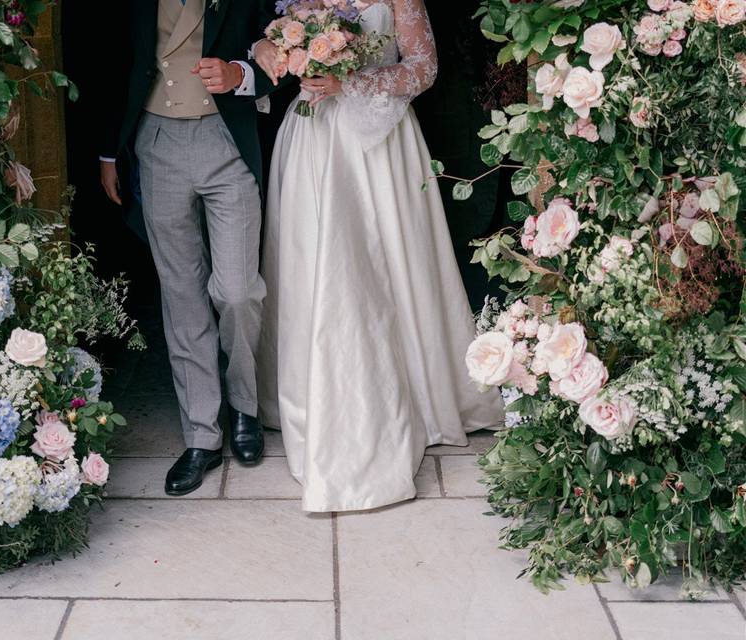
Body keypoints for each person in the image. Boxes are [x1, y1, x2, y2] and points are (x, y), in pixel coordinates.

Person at [254, 0, 505, 513]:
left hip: (381, 142)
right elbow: (265, 42)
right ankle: (310, 397)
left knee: (390, 267)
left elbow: (423, 68)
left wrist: (349, 82)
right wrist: (277, 54)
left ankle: (416, 396)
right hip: (312, 137)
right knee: (314, 264)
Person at [100, 0, 278, 496]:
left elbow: (284, 50)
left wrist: (239, 74)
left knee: (238, 292)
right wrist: (110, 151)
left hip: (227, 140)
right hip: (157, 141)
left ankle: (244, 408)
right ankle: (202, 433)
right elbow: (117, 64)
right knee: (181, 293)